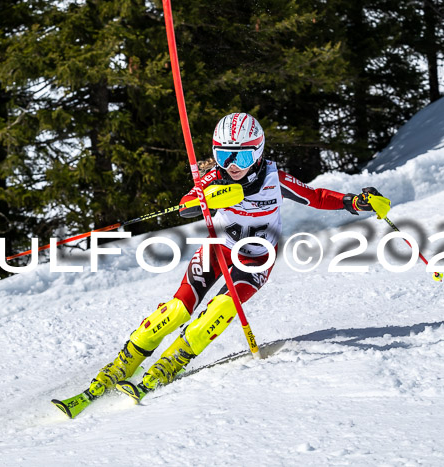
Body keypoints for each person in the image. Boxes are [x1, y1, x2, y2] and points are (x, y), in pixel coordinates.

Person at [86, 112, 389, 400]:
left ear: (257, 153)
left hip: (257, 260)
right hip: (217, 249)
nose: (232, 165)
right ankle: (125, 360)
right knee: (178, 309)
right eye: (223, 155)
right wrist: (207, 198)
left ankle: (173, 359)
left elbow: (317, 197)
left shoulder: (274, 178)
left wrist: (356, 202)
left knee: (221, 309)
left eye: (241, 157)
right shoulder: (214, 180)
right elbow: (186, 204)